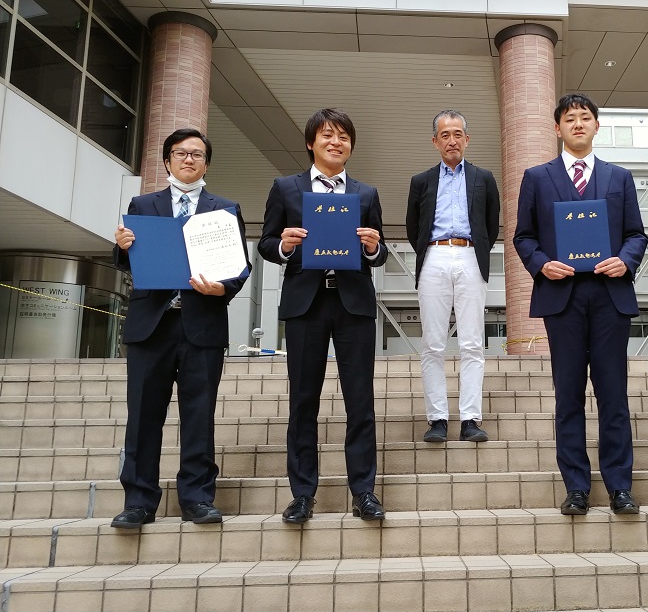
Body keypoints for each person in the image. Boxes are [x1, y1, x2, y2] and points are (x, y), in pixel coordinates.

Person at [513, 93, 647, 516]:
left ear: (596, 126)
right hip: (563, 298)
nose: (577, 124)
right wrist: (541, 265)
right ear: (557, 128)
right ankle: (576, 487)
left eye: (585, 118)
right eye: (569, 118)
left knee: (613, 395)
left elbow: (636, 234)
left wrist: (624, 261)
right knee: (568, 395)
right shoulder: (537, 177)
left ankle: (620, 486)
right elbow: (523, 236)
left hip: (610, 295)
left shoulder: (619, 177)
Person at [111, 128, 251, 528]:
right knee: (143, 416)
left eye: (197, 154)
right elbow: (128, 260)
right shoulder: (143, 204)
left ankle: (197, 498)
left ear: (207, 163)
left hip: (202, 324)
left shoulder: (225, 209)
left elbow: (240, 266)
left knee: (199, 415)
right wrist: (121, 246)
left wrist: (223, 288)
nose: (189, 159)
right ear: (167, 160)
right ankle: (139, 501)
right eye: (180, 153)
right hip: (151, 327)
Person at [258, 108, 388, 523]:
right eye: (328, 135)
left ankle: (363, 491)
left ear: (351, 146)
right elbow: (265, 243)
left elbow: (380, 252)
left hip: (353, 303)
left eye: (344, 137)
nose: (336, 142)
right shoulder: (286, 188)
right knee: (303, 401)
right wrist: (285, 245)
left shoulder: (366, 194)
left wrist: (373, 247)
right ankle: (302, 494)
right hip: (305, 303)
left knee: (360, 401)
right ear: (310, 143)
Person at [406, 110, 501, 443]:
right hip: (433, 256)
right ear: (435, 141)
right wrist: (432, 251)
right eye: (445, 135)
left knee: (472, 342)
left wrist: (475, 249)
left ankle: (470, 419)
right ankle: (438, 420)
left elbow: (491, 224)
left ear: (467, 139)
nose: (452, 140)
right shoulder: (421, 181)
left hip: (470, 255)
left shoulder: (484, 178)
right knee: (433, 343)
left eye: (457, 134)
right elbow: (413, 227)